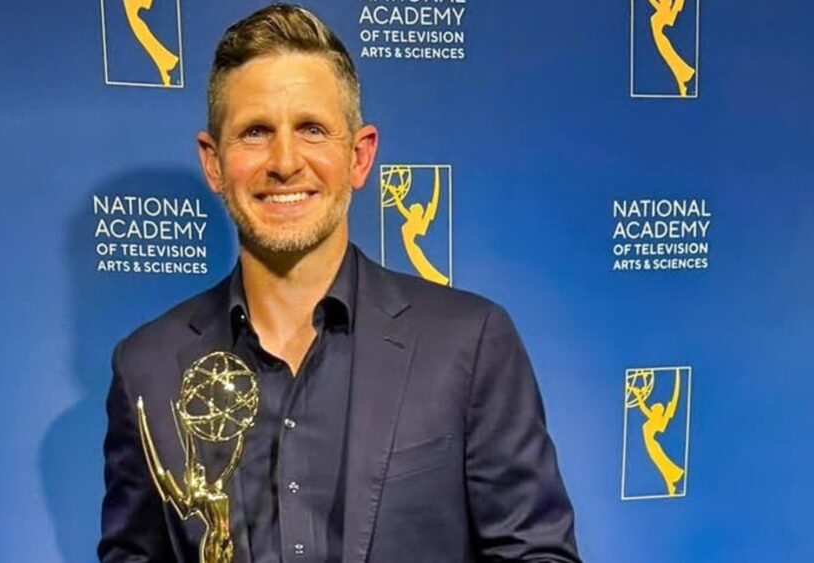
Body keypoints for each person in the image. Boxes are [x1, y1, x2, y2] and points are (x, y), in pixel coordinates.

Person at [99, 4, 579, 562]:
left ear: (359, 155)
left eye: (312, 129)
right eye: (255, 132)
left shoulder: (470, 343)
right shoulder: (147, 367)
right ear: (213, 162)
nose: (284, 161)